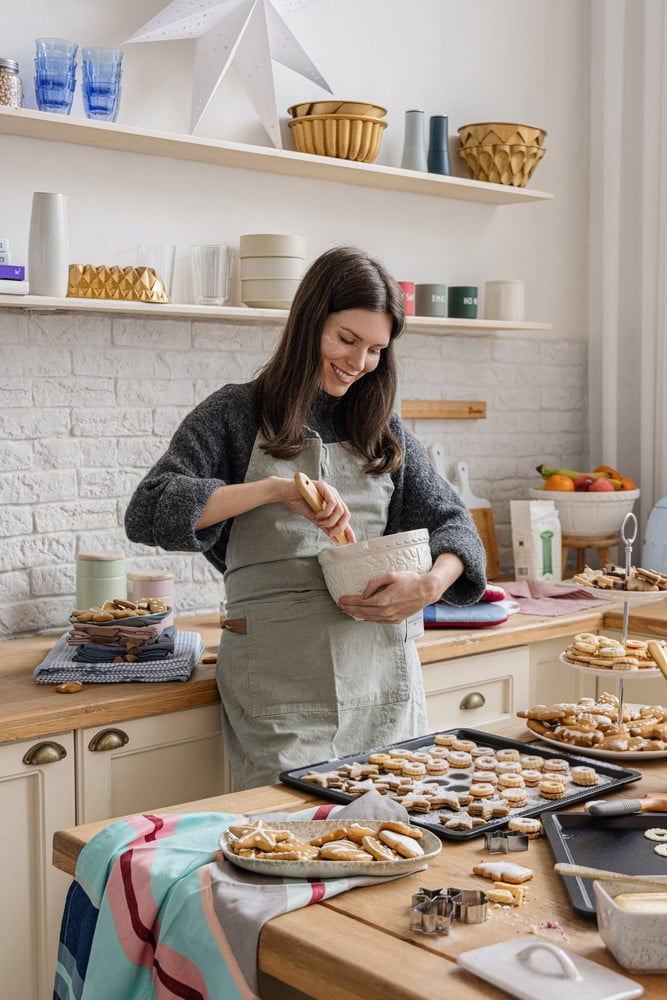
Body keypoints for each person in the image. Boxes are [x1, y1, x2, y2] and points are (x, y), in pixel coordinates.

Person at [125, 246, 486, 789]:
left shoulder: (380, 428)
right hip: (277, 692)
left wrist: (431, 585)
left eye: (375, 350)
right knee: (292, 831)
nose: (359, 363)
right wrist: (271, 491)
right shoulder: (235, 414)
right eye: (347, 339)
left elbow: (455, 527)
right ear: (309, 322)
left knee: (394, 834)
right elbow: (149, 508)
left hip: (383, 685)